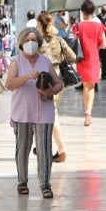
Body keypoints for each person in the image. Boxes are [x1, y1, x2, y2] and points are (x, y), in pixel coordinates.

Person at [6, 27, 63, 198]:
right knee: (22, 148)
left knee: (45, 149)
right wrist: (28, 76)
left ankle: (45, 183)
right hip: (22, 112)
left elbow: (58, 83)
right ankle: (22, 181)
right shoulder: (16, 62)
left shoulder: (45, 62)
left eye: (34, 40)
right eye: (27, 40)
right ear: (21, 43)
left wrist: (50, 91)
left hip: (44, 112)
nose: (31, 43)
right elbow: (9, 84)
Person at [36, 12, 76, 163]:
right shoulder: (59, 40)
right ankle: (43, 146)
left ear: (40, 25)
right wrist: (59, 60)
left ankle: (61, 150)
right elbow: (72, 57)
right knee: (48, 114)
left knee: (52, 116)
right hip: (57, 81)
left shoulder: (38, 43)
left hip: (43, 82)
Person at [72, 0, 106, 126]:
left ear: (82, 12)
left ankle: (86, 112)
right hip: (93, 58)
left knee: (85, 86)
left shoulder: (78, 26)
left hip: (81, 58)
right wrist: (94, 46)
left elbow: (75, 40)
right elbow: (103, 45)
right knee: (91, 87)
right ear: (93, 11)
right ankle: (88, 113)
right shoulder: (99, 26)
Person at [97, 5, 106, 80]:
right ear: (101, 9)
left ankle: (104, 74)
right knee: (97, 59)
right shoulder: (97, 18)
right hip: (98, 43)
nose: (105, 10)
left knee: (105, 59)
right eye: (103, 9)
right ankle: (96, 74)